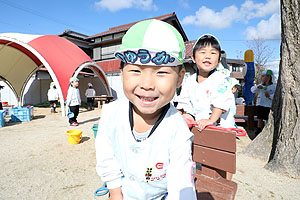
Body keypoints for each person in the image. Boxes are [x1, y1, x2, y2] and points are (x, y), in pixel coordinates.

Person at [95, 19, 197, 200]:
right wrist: (115, 192)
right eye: (135, 70)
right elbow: (106, 156)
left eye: (161, 72)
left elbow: (181, 183)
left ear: (180, 78)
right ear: (122, 74)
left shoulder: (176, 129)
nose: (147, 84)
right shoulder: (111, 114)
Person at [175, 34, 234, 130]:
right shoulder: (189, 81)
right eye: (202, 52)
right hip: (197, 124)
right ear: (193, 58)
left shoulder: (220, 79)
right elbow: (183, 102)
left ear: (219, 60)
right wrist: (178, 114)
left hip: (217, 127)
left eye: (213, 53)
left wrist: (211, 120)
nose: (207, 56)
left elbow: (220, 102)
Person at [251, 69, 276, 135]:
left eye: (263, 76)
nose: (261, 78)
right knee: (260, 117)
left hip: (268, 105)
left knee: (268, 118)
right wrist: (257, 87)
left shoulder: (274, 87)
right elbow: (252, 90)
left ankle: (268, 129)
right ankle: (259, 129)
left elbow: (275, 95)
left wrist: (269, 96)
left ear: (268, 77)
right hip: (260, 104)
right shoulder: (261, 86)